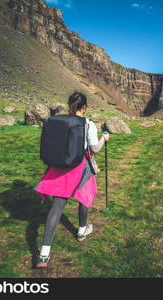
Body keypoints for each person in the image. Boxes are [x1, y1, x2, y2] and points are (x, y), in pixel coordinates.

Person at [33, 92, 110, 268]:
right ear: (84, 108)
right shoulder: (88, 124)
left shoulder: (59, 120)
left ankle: (44, 254)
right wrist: (104, 139)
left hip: (60, 167)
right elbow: (94, 149)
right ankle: (81, 232)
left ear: (69, 105)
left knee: (57, 206)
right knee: (85, 197)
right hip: (79, 167)